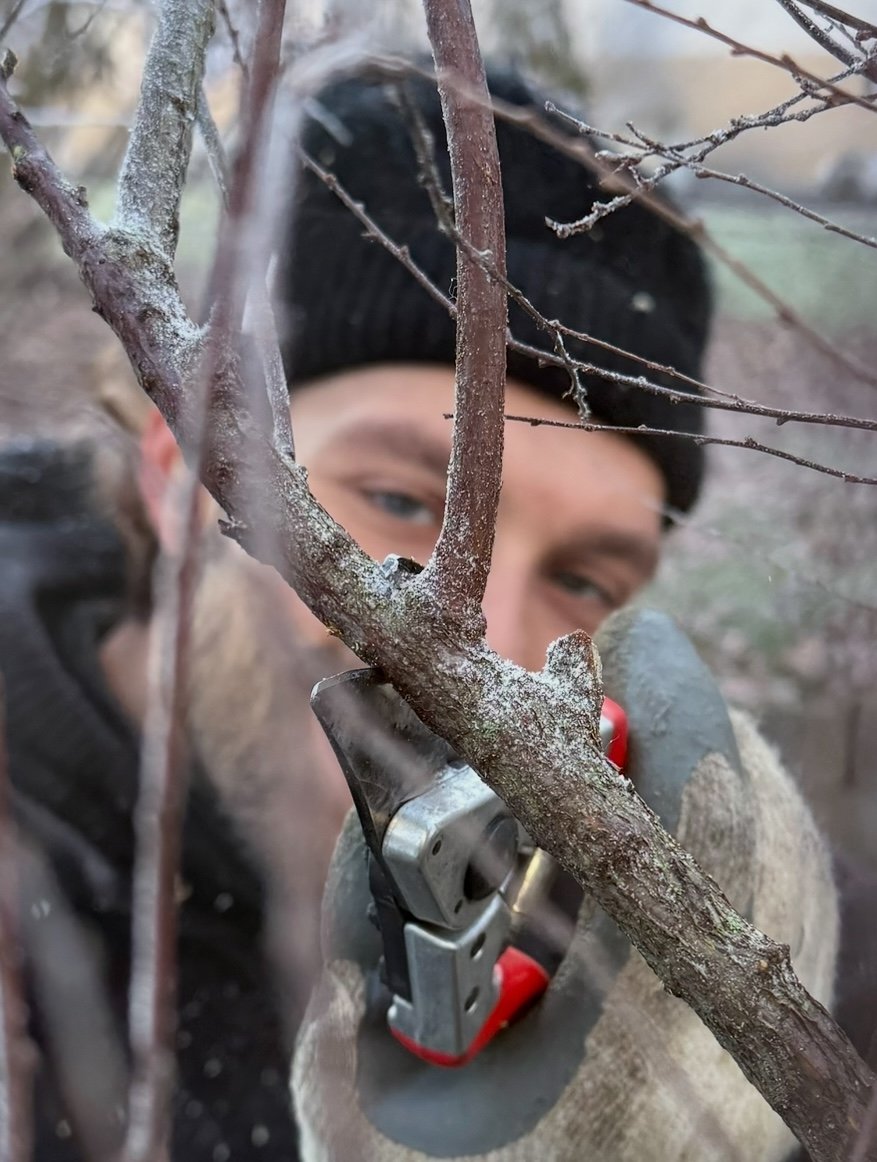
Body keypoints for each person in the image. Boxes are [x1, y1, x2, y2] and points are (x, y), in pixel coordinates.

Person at [0, 61, 872, 1162]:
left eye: (586, 579)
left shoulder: (620, 847)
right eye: (401, 503)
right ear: (183, 468)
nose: (490, 644)